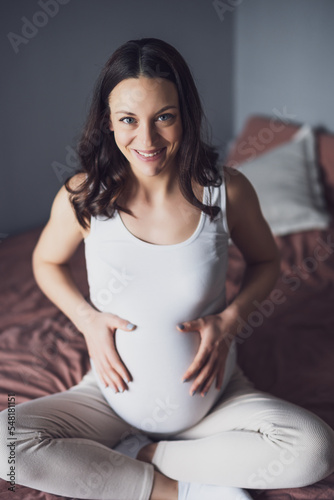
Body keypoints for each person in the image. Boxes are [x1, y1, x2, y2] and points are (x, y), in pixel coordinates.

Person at [1, 38, 334, 500]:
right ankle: (167, 490)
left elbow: (267, 260)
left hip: (216, 399)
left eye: (164, 117)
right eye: (128, 121)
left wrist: (231, 320)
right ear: (108, 122)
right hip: (109, 399)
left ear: (186, 114)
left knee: (314, 450)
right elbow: (46, 261)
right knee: (7, 443)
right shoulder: (83, 196)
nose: (148, 140)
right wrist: (88, 320)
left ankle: (149, 456)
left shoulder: (226, 192)